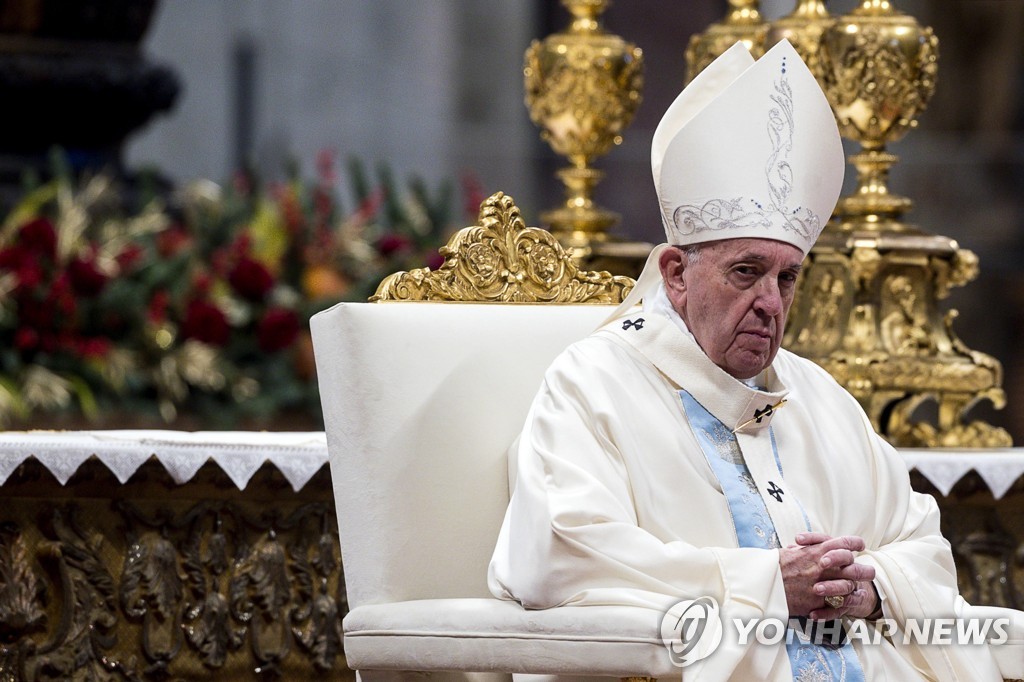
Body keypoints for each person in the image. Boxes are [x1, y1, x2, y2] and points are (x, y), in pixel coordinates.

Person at [488, 40, 1022, 680]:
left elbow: (921, 547)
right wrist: (769, 585)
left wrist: (869, 586)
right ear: (676, 273)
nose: (771, 302)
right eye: (746, 272)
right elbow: (562, 554)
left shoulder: (819, 397)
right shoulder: (592, 383)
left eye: (788, 277)